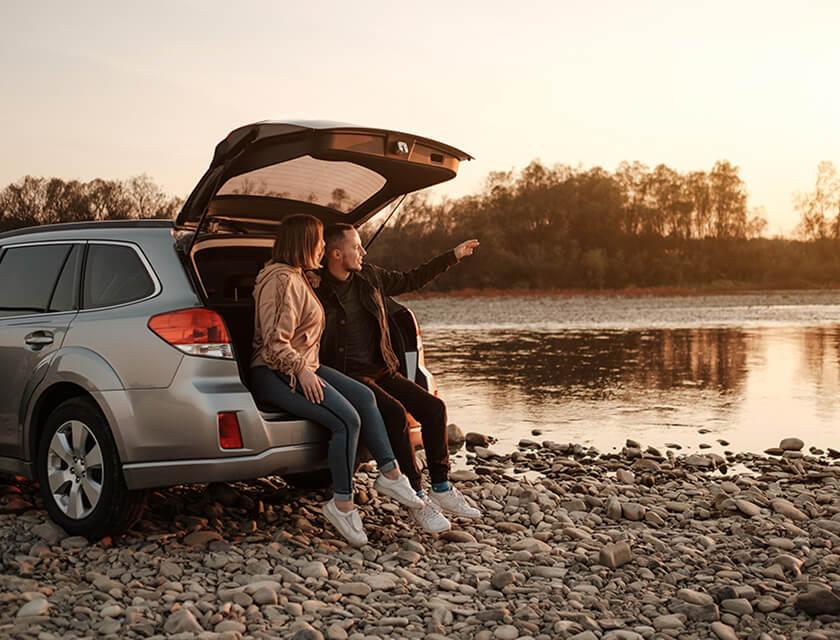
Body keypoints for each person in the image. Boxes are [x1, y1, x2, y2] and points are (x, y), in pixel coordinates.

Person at [249, 214, 423, 547]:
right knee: (347, 419)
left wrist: (309, 287)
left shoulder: (297, 277)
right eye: (318, 242)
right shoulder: (282, 280)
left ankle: (390, 474)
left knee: (365, 397)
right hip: (275, 370)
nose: (323, 247)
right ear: (304, 243)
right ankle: (341, 503)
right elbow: (274, 344)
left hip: (305, 364)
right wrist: (300, 371)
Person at [313, 223, 481, 533]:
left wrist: (452, 256)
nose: (363, 252)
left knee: (434, 409)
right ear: (336, 254)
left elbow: (409, 278)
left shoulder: (369, 277)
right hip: (348, 377)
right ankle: (416, 496)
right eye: (356, 246)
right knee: (395, 416)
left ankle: (441, 489)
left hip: (383, 370)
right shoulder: (315, 288)